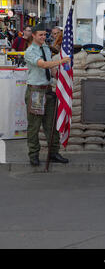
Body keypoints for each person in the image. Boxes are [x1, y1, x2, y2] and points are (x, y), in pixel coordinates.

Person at [24, 24, 71, 167]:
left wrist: (62, 78)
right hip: (36, 92)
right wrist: (61, 61)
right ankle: (34, 155)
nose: (44, 37)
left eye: (45, 34)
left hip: (48, 89)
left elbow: (50, 71)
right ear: (33, 35)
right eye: (41, 35)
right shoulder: (30, 51)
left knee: (51, 125)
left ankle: (53, 152)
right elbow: (43, 65)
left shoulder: (45, 47)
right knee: (34, 126)